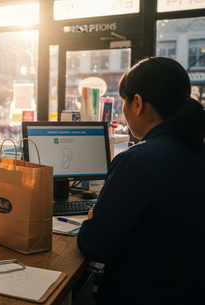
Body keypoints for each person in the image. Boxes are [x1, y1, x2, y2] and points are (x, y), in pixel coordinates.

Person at [77, 57, 205, 304]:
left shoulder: (135, 161)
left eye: (124, 101)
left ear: (137, 103)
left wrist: (93, 221)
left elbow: (95, 246)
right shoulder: (197, 150)